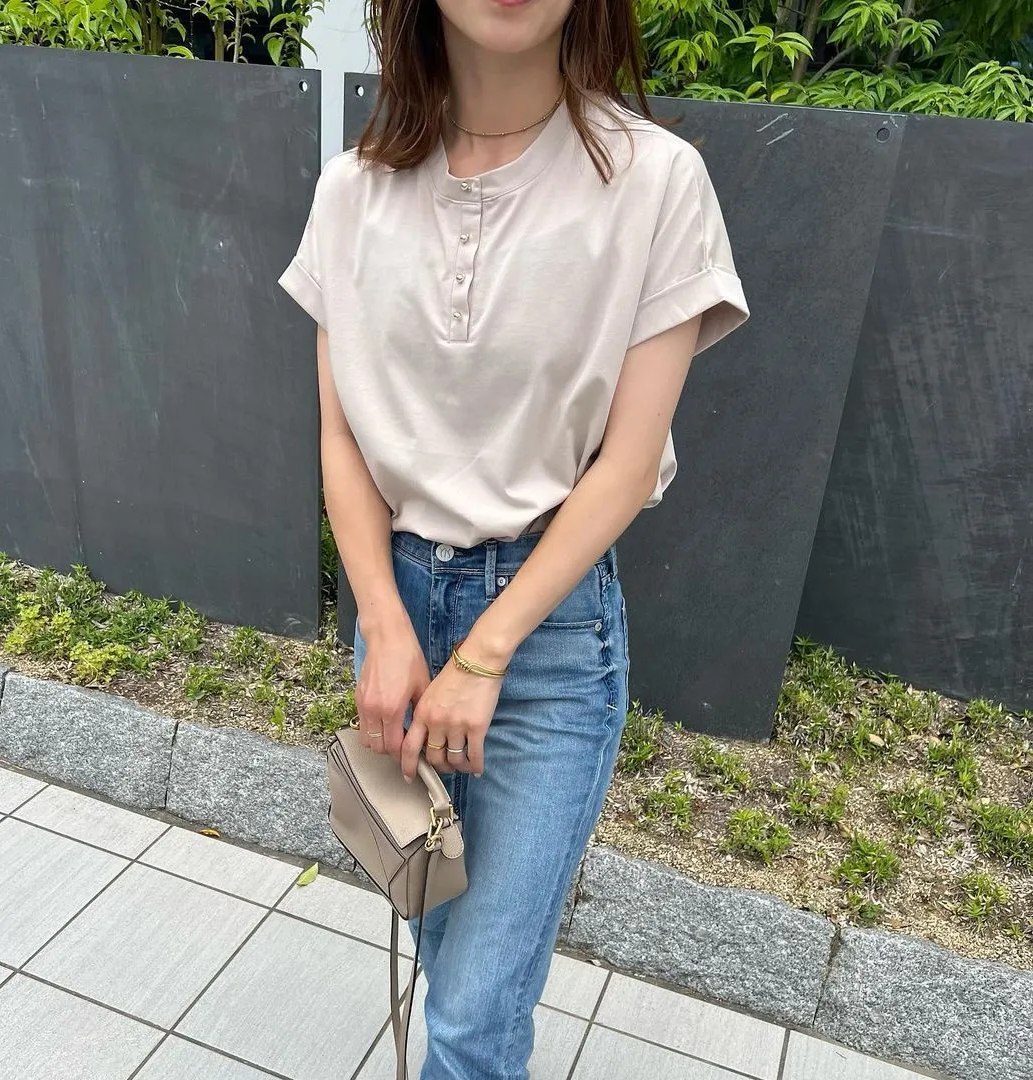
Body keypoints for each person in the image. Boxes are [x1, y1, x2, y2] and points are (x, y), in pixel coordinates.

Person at [277, 0, 750, 1072]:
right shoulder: (353, 189)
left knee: (475, 1011)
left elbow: (627, 463)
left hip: (546, 640)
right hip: (396, 615)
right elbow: (341, 437)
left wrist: (486, 652)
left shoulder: (655, 180)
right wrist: (384, 627)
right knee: (439, 932)